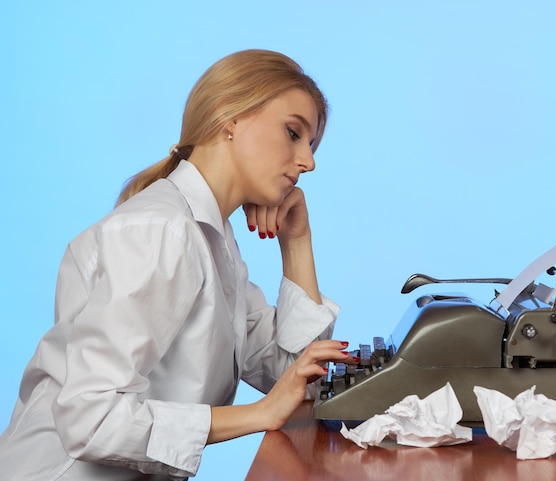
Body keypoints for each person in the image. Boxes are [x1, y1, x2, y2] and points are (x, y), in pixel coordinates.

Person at [0, 49, 357, 480]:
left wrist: (296, 242)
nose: (309, 162)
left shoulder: (211, 238)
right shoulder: (163, 230)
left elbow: (295, 377)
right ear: (232, 116)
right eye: (293, 133)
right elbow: (89, 418)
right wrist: (258, 414)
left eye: (312, 145)